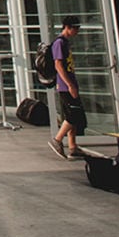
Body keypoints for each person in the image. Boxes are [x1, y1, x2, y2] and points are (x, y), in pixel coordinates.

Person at [48, 15, 85, 160]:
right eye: (76, 29)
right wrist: (69, 85)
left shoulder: (65, 42)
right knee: (74, 115)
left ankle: (73, 146)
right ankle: (57, 140)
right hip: (65, 86)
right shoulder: (59, 43)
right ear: (68, 28)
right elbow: (58, 65)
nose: (77, 32)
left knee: (72, 115)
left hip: (70, 83)